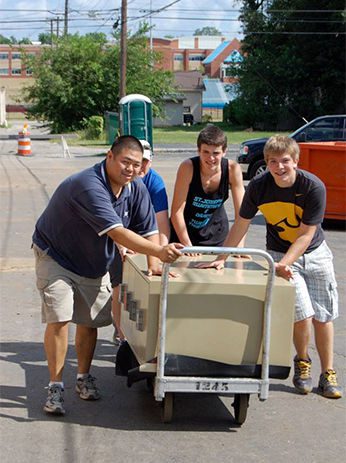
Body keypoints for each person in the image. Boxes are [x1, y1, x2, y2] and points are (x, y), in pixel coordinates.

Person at [32, 135, 182, 415]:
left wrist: (156, 267)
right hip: (57, 256)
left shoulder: (135, 189)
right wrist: (161, 252)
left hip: (93, 260)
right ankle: (55, 386)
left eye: (136, 165)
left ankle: (83, 377)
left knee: (90, 322)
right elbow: (118, 232)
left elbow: (148, 228)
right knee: (60, 317)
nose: (130, 169)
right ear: (109, 157)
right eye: (125, 161)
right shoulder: (88, 185)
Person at [200, 135, 342, 399]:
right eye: (273, 162)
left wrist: (284, 263)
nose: (279, 167)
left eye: (285, 161)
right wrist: (221, 258)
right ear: (266, 163)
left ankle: (328, 373)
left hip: (314, 253)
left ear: (296, 161)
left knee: (323, 315)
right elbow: (241, 223)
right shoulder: (259, 187)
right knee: (301, 314)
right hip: (278, 254)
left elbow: (306, 235)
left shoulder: (313, 187)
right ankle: (303, 363)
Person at [111, 139, 170, 343]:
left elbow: (160, 222)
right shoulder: (118, 179)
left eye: (144, 162)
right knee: (120, 286)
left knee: (147, 284)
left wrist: (161, 253)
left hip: (144, 236)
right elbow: (113, 226)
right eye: (136, 162)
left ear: (150, 163)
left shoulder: (154, 182)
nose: (140, 167)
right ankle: (121, 335)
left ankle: (146, 336)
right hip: (119, 236)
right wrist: (123, 247)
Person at [170, 124, 245, 252]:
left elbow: (242, 214)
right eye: (206, 152)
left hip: (216, 234)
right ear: (198, 150)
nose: (211, 158)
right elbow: (176, 212)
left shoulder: (232, 169)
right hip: (185, 233)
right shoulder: (188, 168)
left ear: (224, 152)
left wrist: (239, 246)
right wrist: (187, 246)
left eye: (216, 153)